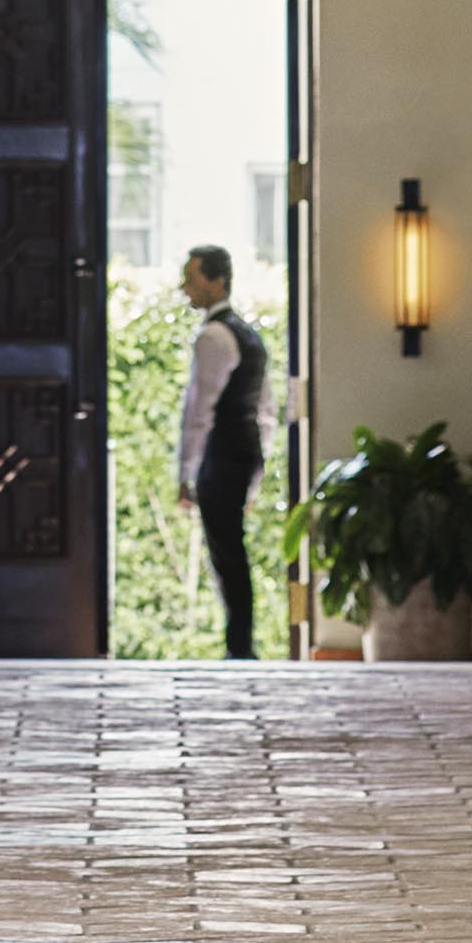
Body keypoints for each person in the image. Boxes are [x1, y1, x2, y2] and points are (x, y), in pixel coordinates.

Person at [176, 244, 273, 659]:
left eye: (191, 278)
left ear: (216, 282)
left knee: (226, 554)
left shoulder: (213, 337)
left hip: (222, 455)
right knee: (233, 550)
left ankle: (240, 649)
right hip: (245, 452)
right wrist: (257, 472)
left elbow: (199, 411)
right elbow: (266, 411)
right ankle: (241, 645)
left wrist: (185, 472)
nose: (185, 288)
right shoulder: (250, 337)